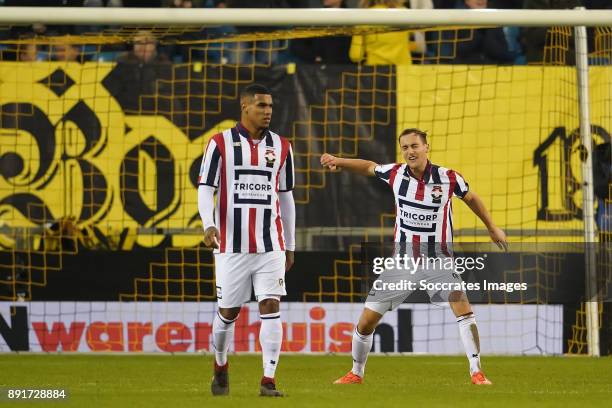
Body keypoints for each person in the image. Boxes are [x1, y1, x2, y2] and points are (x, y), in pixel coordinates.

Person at [320, 128, 507, 386]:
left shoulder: (448, 178)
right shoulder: (395, 174)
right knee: (366, 322)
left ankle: (477, 372)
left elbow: (471, 197)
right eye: (405, 147)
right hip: (403, 261)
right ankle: (356, 372)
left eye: (415, 146)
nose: (410, 151)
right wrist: (339, 161)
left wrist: (492, 227)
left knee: (463, 310)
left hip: (438, 259)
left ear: (426, 147)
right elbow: (369, 167)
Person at [198, 84, 296, 397]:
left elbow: (286, 196)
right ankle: (220, 364)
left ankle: (268, 380)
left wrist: (289, 243)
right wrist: (208, 224)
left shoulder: (282, 146)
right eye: (261, 106)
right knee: (228, 311)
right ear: (245, 106)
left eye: (270, 106)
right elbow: (205, 187)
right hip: (231, 245)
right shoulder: (220, 144)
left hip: (270, 244)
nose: (268, 111)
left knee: (271, 304)